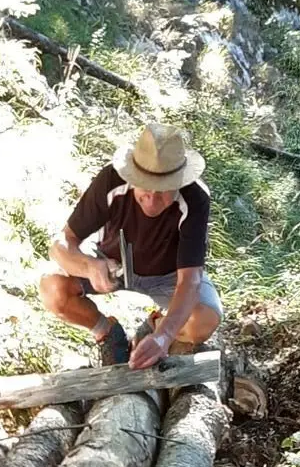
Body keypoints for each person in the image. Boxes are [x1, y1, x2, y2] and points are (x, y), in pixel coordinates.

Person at [41, 121, 223, 369]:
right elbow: (61, 244)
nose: (152, 197)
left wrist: (164, 335)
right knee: (53, 289)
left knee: (204, 320)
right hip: (111, 264)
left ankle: (152, 328)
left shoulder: (195, 198)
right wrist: (89, 266)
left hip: (168, 276)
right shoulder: (111, 181)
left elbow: (189, 280)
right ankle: (109, 335)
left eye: (162, 190)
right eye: (145, 185)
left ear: (179, 181)